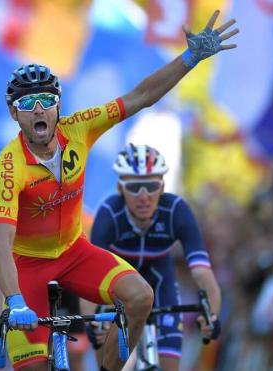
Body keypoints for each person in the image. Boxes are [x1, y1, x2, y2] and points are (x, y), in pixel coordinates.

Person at [0, 10, 238, 371]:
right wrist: (14, 300)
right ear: (15, 114)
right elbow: (0, 243)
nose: (38, 109)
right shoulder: (9, 167)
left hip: (75, 252)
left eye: (46, 100)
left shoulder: (80, 128)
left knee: (141, 298)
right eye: (27, 104)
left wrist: (189, 58)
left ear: (59, 105)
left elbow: (142, 95)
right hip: (27, 267)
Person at [85, 144, 222, 371]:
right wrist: (92, 320)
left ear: (162, 186)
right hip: (119, 290)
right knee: (105, 362)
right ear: (120, 188)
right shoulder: (109, 213)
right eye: (135, 187)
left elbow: (203, 274)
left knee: (169, 365)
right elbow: (90, 276)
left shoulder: (176, 210)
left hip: (161, 285)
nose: (144, 196)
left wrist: (212, 317)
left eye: (151, 186)